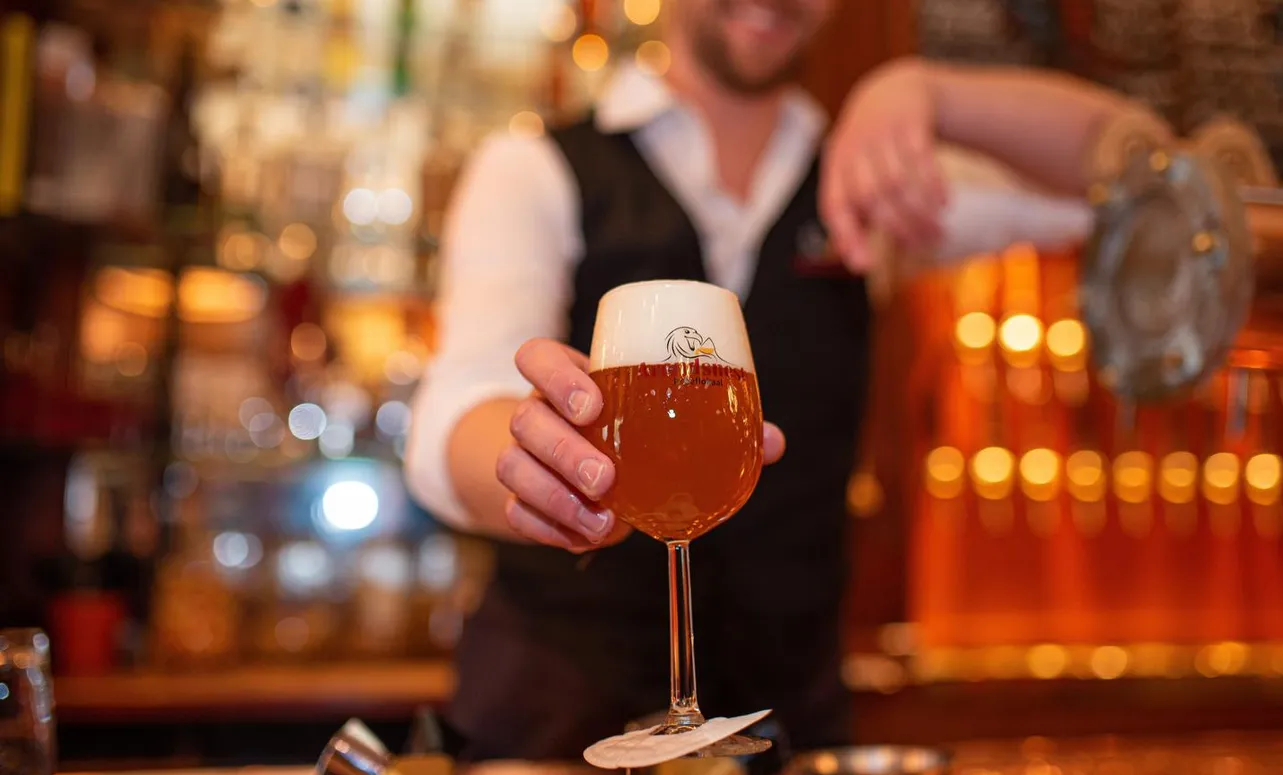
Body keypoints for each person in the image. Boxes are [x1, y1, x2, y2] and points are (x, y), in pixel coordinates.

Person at [405, 0, 1147, 761]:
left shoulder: (873, 182)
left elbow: (1133, 175)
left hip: (783, 729)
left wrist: (931, 93)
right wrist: (546, 472)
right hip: (553, 731)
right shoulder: (535, 166)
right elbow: (453, 412)